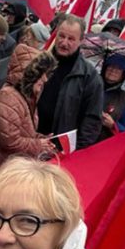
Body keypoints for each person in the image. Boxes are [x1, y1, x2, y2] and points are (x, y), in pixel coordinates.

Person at [0, 46, 57, 176]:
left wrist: (42, 139)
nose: (45, 79)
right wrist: (39, 144)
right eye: (41, 74)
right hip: (1, 170)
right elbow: (9, 141)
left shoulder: (24, 96)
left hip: (9, 167)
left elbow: (24, 131)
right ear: (29, 74)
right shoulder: (8, 97)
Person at [36, 15, 104, 149]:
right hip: (28, 141)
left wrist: (75, 151)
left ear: (81, 41)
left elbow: (91, 121)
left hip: (59, 149)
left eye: (71, 39)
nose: (64, 42)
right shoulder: (38, 62)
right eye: (61, 36)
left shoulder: (89, 77)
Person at [99, 52, 125, 139]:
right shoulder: (90, 84)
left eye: (119, 69)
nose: (113, 70)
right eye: (111, 66)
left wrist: (113, 125)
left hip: (101, 143)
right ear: (105, 68)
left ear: (123, 75)